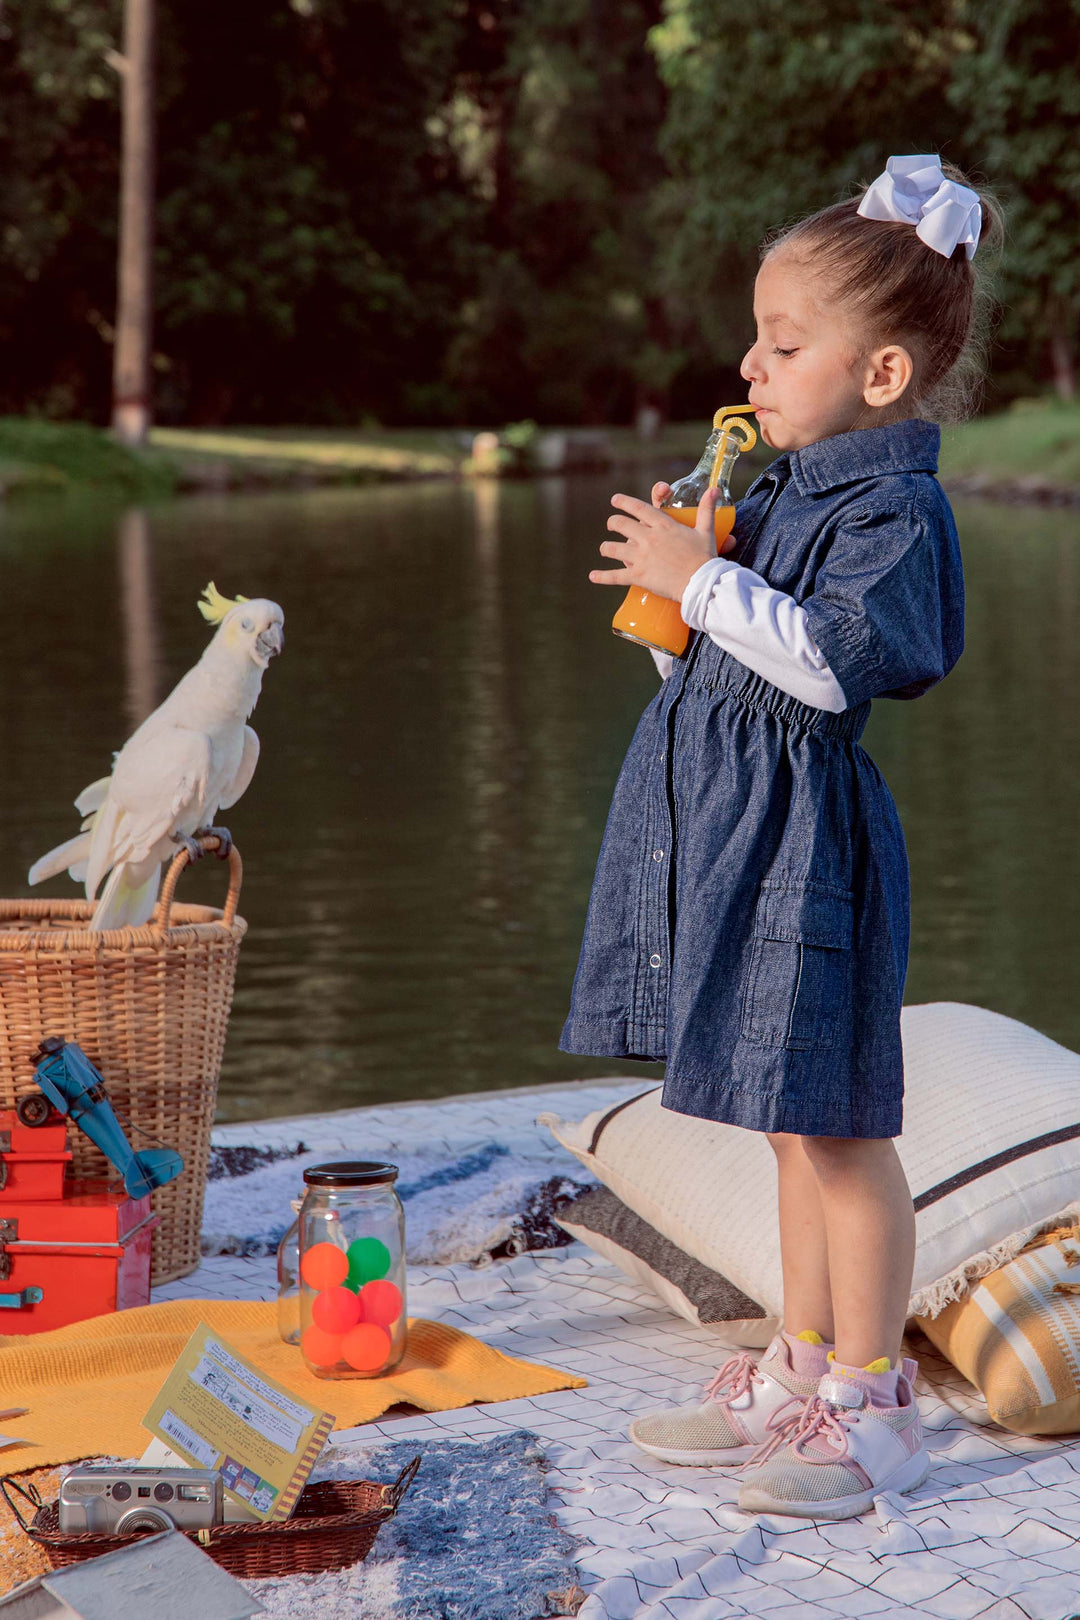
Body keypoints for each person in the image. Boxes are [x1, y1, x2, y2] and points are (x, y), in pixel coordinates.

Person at [559, 155, 1001, 1520]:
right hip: (740, 828)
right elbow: (730, 672)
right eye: (756, 335)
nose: (750, 362)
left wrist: (711, 581)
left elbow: (831, 665)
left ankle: (872, 1406)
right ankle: (805, 1364)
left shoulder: (891, 511)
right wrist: (680, 609)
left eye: (786, 343)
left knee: (840, 1129)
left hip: (810, 838)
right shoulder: (782, 486)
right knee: (782, 1121)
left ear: (880, 376)